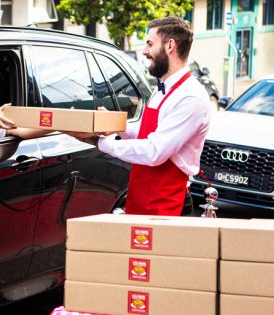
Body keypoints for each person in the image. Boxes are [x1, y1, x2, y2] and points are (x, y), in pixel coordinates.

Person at [69, 16, 212, 216]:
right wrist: (117, 125)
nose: (144, 51)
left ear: (170, 45)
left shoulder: (191, 97)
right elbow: (149, 132)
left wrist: (99, 142)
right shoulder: (163, 88)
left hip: (167, 204)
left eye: (149, 44)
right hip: (141, 196)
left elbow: (155, 151)